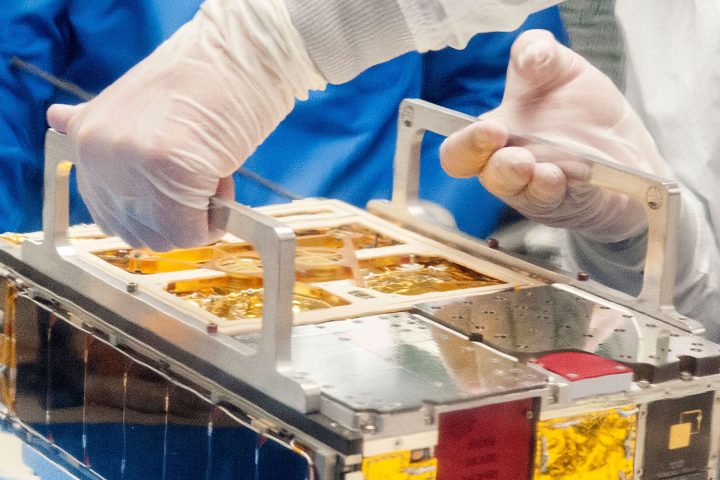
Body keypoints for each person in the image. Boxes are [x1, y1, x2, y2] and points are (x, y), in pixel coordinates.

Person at [34, 0, 720, 339]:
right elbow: (701, 312)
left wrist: (265, 42)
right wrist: (638, 239)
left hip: (365, 297)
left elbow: (480, 74)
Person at [0, 2, 566, 239]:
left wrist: (426, 217)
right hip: (119, 254)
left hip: (359, 257)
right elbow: (13, 83)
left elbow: (493, 83)